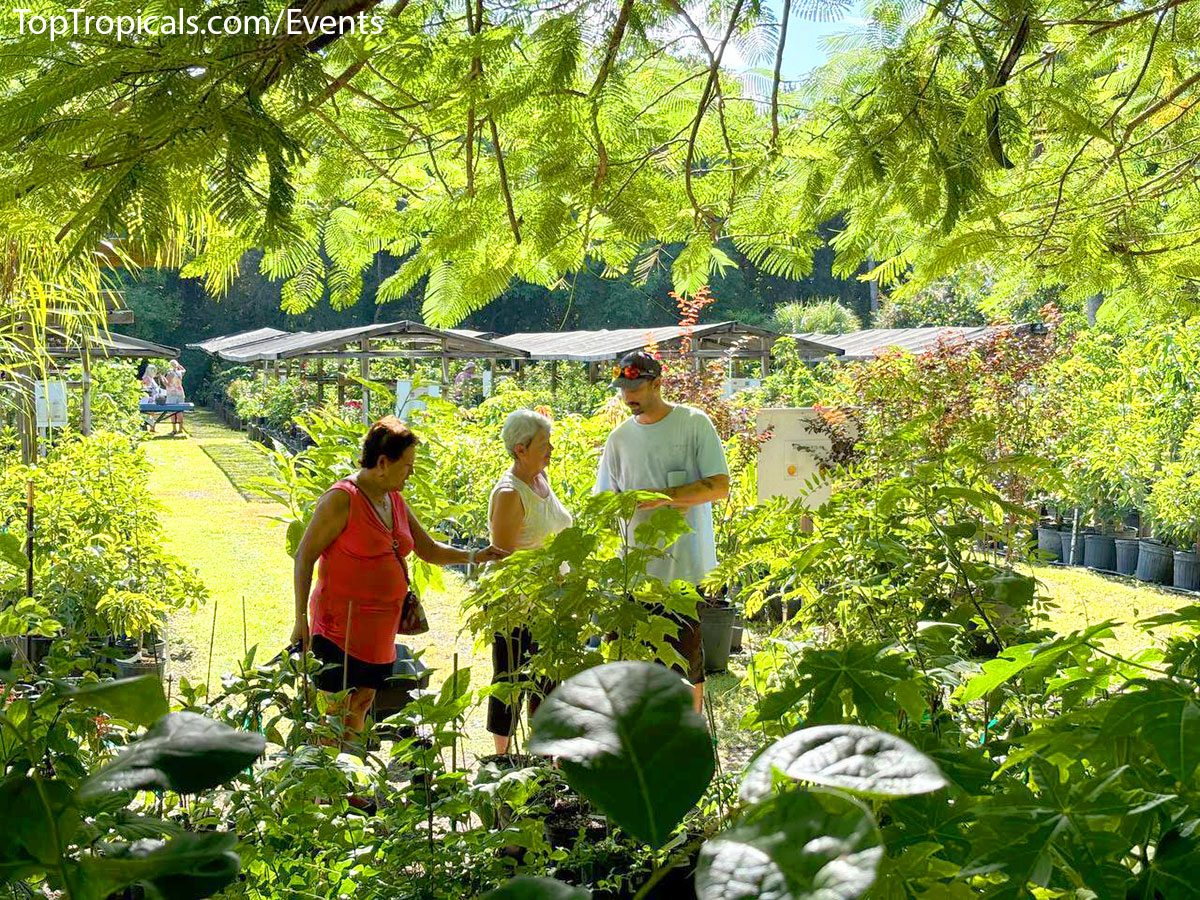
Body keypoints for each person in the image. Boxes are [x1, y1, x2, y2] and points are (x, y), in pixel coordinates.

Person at [291, 416, 507, 740]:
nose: (411, 472)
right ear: (382, 463)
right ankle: (324, 789)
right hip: (339, 630)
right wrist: (299, 621)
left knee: (362, 703)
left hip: (378, 634)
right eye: (407, 465)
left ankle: (348, 781)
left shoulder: (393, 499)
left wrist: (475, 555)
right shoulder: (341, 500)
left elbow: (429, 549)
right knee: (336, 711)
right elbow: (304, 556)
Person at [594, 351, 730, 713]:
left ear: (658, 383)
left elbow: (719, 486)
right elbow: (604, 502)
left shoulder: (693, 424)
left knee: (685, 662)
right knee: (626, 664)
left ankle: (690, 738)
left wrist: (665, 497)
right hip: (633, 574)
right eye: (623, 388)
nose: (628, 396)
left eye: (636, 387)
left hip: (683, 574)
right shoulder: (619, 439)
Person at [486, 409, 574, 754]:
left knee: (549, 681)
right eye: (543, 444)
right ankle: (502, 759)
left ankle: (546, 756)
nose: (550, 448)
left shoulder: (540, 480)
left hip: (549, 605)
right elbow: (503, 558)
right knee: (510, 682)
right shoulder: (510, 493)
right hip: (517, 607)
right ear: (520, 449)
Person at [161, 360, 187, 435]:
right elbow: (184, 370)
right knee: (180, 410)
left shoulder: (170, 373)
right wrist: (178, 365)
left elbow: (167, 384)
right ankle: (181, 428)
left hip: (172, 393)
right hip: (180, 392)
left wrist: (162, 377)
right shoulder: (180, 373)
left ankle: (174, 429)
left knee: (173, 411)